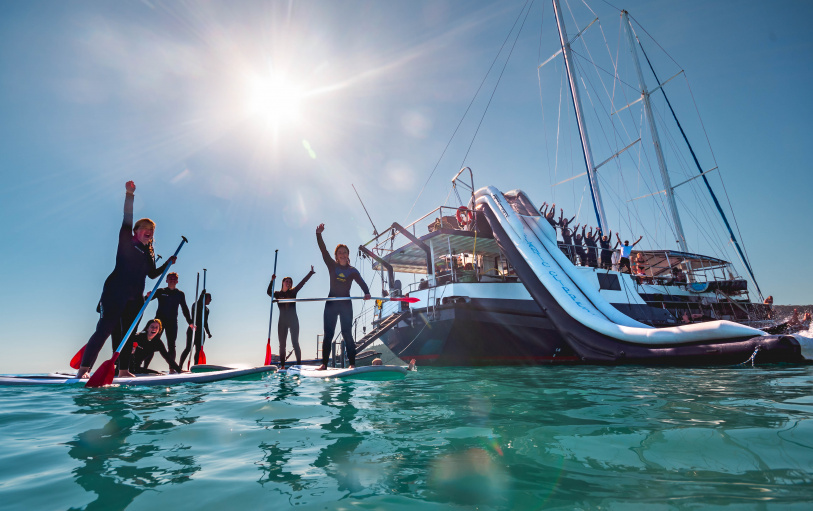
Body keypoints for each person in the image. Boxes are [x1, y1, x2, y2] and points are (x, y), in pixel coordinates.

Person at [76, 181, 176, 379]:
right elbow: (127, 218)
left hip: (135, 297)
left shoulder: (148, 254)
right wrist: (130, 194)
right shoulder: (126, 240)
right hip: (114, 293)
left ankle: (123, 371)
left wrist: (168, 264)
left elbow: (152, 274)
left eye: (152, 230)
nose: (150, 232)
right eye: (146, 228)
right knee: (104, 330)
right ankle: (83, 370)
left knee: (128, 334)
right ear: (137, 230)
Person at [316, 223, 371, 370]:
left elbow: (362, 283)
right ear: (336, 255)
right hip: (332, 303)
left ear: (348, 255)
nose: (342, 254)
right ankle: (324, 364)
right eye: (340, 252)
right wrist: (319, 235)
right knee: (329, 334)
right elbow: (323, 250)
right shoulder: (332, 265)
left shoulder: (352, 271)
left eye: (345, 252)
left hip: (346, 304)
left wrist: (367, 293)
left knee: (347, 334)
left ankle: (352, 364)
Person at [268, 266, 315, 369]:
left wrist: (310, 273)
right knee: (282, 345)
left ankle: (299, 365)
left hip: (293, 320)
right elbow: (268, 292)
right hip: (282, 322)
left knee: (295, 343)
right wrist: (272, 281)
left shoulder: (293, 292)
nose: (289, 283)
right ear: (283, 282)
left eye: (290, 282)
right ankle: (283, 366)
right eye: (287, 281)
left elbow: (302, 283)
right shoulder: (277, 294)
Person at [150, 272, 193, 366]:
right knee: (152, 343)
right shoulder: (160, 291)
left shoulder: (180, 294)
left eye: (174, 279)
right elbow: (147, 299)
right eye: (170, 278)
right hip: (159, 322)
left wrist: (190, 322)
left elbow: (184, 308)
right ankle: (144, 368)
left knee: (171, 345)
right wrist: (148, 295)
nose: (172, 280)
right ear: (166, 280)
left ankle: (172, 368)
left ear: (177, 281)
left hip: (172, 322)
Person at [179, 291, 212, 367]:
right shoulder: (196, 305)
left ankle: (196, 366)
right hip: (193, 329)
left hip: (201, 332)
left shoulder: (207, 310)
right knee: (188, 348)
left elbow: (205, 322)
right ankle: (179, 366)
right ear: (205, 298)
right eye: (209, 298)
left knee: (198, 350)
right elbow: (199, 302)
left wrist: (208, 332)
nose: (210, 300)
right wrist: (201, 294)